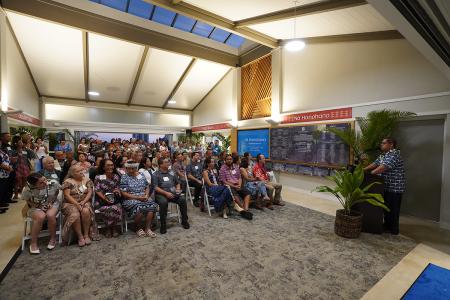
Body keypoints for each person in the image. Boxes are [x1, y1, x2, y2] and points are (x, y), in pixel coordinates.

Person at [364, 137, 406, 235]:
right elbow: (375, 163)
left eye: (383, 143)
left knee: (393, 209)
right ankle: (387, 225)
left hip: (395, 188)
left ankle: (394, 230)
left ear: (391, 144)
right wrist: (363, 170)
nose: (381, 145)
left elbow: (383, 167)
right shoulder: (384, 155)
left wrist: (371, 174)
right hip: (385, 186)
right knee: (386, 208)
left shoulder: (394, 154)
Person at [21, 173, 61, 254]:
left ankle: (53, 239)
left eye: (45, 179)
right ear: (34, 185)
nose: (45, 183)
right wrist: (39, 206)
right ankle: (33, 243)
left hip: (51, 203)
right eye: (41, 183)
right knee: (40, 217)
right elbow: (28, 200)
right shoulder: (27, 189)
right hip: (35, 205)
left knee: (50, 215)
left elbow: (57, 191)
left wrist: (51, 201)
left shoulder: (53, 183)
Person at [61, 165, 97, 246]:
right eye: (78, 171)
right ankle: (80, 237)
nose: (81, 172)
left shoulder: (87, 180)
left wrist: (83, 202)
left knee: (85, 211)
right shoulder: (68, 181)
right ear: (72, 173)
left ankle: (86, 235)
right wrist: (77, 204)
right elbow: (67, 195)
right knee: (75, 214)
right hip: (70, 203)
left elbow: (90, 192)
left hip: (84, 201)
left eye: (82, 170)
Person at [120, 160, 157, 238]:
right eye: (129, 168)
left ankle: (147, 228)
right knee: (138, 206)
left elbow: (147, 186)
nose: (131, 170)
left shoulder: (141, 175)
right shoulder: (124, 177)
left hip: (143, 197)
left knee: (152, 205)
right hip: (130, 198)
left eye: (133, 168)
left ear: (136, 168)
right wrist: (138, 198)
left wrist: (146, 195)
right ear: (126, 168)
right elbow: (124, 193)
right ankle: (138, 228)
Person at [153, 158, 189, 234]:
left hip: (173, 193)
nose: (168, 163)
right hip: (161, 194)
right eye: (166, 162)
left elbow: (177, 182)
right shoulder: (156, 174)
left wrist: (178, 189)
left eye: (168, 162)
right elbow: (155, 187)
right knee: (163, 203)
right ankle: (163, 224)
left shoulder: (172, 172)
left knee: (182, 200)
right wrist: (166, 193)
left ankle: (184, 221)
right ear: (161, 165)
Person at [94, 159, 123, 238]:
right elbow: (97, 190)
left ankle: (113, 228)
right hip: (101, 199)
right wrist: (104, 198)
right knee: (107, 208)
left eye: (112, 165)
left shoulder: (116, 176)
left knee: (117, 207)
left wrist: (118, 190)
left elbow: (119, 187)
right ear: (103, 167)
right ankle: (108, 228)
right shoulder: (98, 177)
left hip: (113, 198)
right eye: (108, 165)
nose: (111, 167)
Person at [219, 154, 253, 219]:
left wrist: (239, 184)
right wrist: (234, 186)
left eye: (230, 159)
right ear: (225, 160)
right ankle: (243, 209)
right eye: (227, 159)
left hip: (237, 185)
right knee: (235, 195)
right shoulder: (222, 169)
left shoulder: (236, 167)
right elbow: (224, 181)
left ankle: (245, 209)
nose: (229, 160)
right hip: (229, 186)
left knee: (247, 193)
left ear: (232, 160)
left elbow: (239, 177)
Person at [0, 133, 14, 213]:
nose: (9, 137)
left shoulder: (8, 146)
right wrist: (8, 167)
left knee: (5, 187)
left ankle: (4, 201)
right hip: (3, 171)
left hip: (6, 171)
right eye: (7, 136)